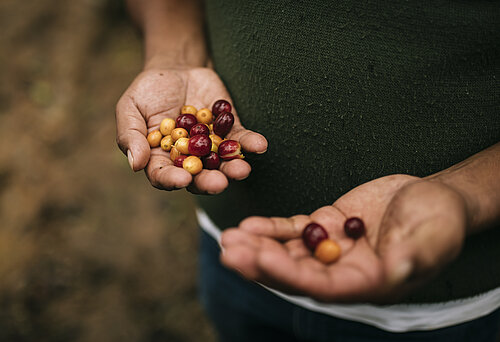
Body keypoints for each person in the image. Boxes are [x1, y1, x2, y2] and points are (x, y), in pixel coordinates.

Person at [115, 0, 500, 340]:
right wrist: (173, 55)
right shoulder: (198, 144)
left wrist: (465, 195)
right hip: (233, 246)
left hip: (439, 310)